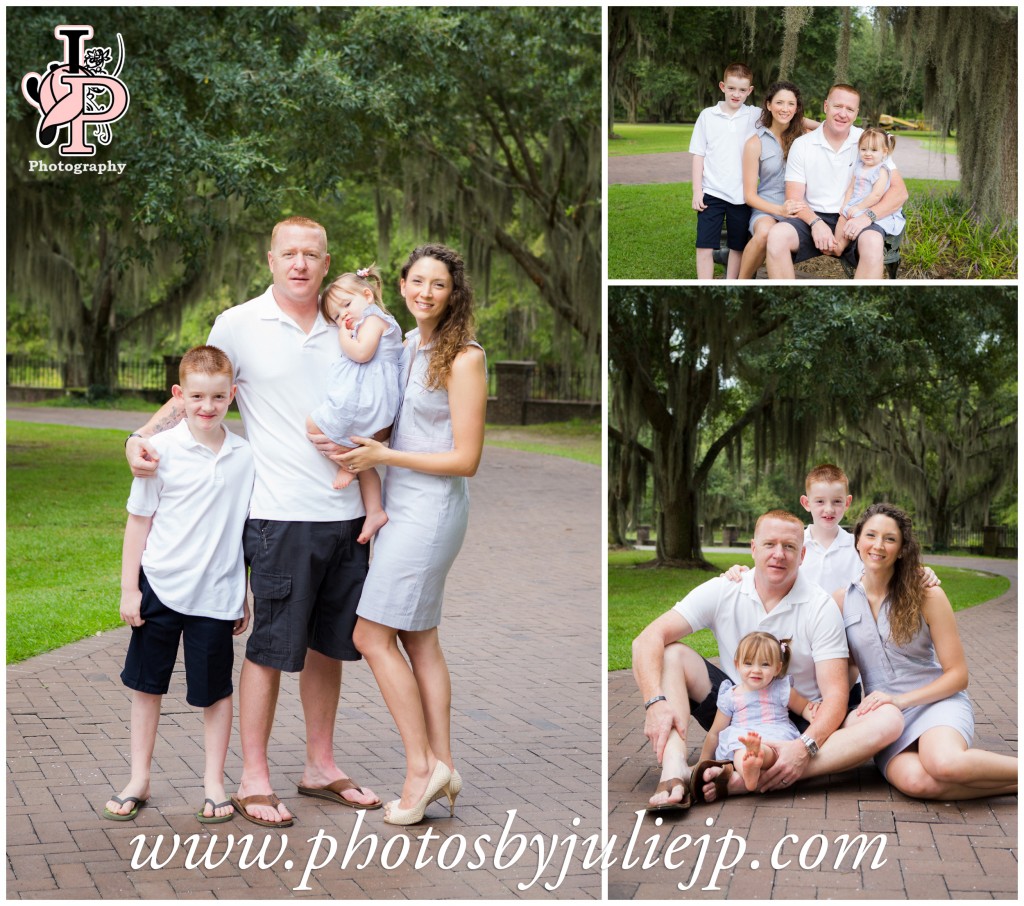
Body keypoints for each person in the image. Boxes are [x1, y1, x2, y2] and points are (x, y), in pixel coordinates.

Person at [126, 217, 381, 828]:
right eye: (288, 253)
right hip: (278, 514)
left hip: (346, 513)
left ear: (326, 262)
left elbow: (380, 402)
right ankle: (253, 776)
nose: (300, 263)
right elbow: (196, 388)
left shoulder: (352, 326)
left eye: (311, 255)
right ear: (271, 259)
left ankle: (320, 764)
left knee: (329, 648)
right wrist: (140, 434)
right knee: (269, 646)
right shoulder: (238, 323)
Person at [313, 244, 487, 825]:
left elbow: (466, 459)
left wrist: (385, 454)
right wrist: (352, 446)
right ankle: (445, 763)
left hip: (432, 511)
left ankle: (421, 768)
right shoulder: (410, 343)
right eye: (418, 282)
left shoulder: (464, 357)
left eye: (438, 285)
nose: (426, 293)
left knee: (369, 635)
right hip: (402, 501)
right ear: (402, 285)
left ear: (453, 291)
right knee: (419, 640)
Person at [632, 509, 904, 810]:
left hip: (804, 721)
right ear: (752, 548)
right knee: (671, 653)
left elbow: (837, 698)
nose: (779, 554)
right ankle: (675, 769)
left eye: (789, 547)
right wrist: (654, 702)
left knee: (888, 720)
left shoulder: (818, 605)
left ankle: (750, 778)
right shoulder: (725, 589)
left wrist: (804, 747)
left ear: (802, 555)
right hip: (741, 712)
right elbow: (647, 639)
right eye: (769, 544)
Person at [104, 346, 253, 824]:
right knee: (148, 686)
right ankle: (138, 778)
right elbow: (138, 522)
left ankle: (214, 782)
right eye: (196, 397)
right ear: (178, 396)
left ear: (231, 395)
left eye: (216, 397)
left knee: (215, 691)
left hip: (217, 595)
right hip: (161, 588)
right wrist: (131, 589)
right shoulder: (158, 453)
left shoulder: (244, 456)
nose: (207, 407)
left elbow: (244, 529)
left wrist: (242, 590)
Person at [837, 503, 1018, 800]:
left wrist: (900, 699)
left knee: (944, 764)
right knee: (917, 783)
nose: (878, 546)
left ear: (902, 548)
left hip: (934, 702)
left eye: (890, 539)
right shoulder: (841, 600)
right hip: (884, 719)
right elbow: (848, 667)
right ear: (857, 540)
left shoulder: (927, 594)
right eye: (870, 535)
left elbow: (958, 676)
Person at [765, 84, 908, 279]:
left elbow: (900, 193)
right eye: (837, 106)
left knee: (873, 243)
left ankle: (859, 308)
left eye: (849, 109)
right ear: (826, 106)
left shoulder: (869, 143)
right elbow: (794, 198)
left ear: (856, 114)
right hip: (812, 217)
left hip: (858, 217)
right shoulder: (803, 145)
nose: (843, 114)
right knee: (776, 237)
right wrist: (816, 223)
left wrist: (866, 218)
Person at [305, 265, 402, 543]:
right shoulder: (366, 321)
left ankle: (344, 461)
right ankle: (374, 511)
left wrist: (343, 336)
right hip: (367, 397)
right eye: (336, 316)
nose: (343, 315)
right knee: (363, 460)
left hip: (367, 399)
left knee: (313, 424)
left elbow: (361, 354)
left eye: (347, 305)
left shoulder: (373, 320)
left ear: (368, 296)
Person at [697, 632, 819, 793]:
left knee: (768, 751)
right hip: (743, 736)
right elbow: (715, 732)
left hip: (776, 733)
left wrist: (815, 713)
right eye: (748, 663)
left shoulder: (782, 689)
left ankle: (753, 761)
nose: (756, 670)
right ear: (737, 664)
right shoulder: (731, 696)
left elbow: (804, 708)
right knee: (741, 750)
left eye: (765, 665)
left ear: (777, 668)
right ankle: (749, 767)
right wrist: (703, 762)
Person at [689, 62, 760, 279]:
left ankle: (731, 283)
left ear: (750, 91)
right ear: (722, 86)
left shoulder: (755, 116)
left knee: (737, 246)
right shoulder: (707, 116)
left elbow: (790, 116)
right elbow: (698, 155)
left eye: (741, 90)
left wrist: (823, 126)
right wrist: (697, 191)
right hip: (711, 193)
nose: (736, 94)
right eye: (731, 88)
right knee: (704, 246)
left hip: (742, 196)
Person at [738, 81, 814, 279]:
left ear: (797, 108)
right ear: (769, 105)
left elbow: (828, 127)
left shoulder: (804, 138)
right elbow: (749, 196)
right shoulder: (755, 143)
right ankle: (741, 283)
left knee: (777, 236)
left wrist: (800, 120)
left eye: (791, 104)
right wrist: (779, 210)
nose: (785, 109)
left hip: (798, 208)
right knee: (764, 233)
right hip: (767, 207)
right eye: (780, 103)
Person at [833, 128, 905, 258]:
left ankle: (841, 247)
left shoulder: (881, 170)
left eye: (874, 150)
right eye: (863, 149)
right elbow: (851, 188)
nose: (867, 153)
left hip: (868, 205)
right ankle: (836, 244)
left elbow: (876, 195)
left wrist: (859, 208)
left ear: (884, 152)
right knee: (842, 219)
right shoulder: (859, 166)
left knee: (850, 222)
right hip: (855, 203)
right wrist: (845, 205)